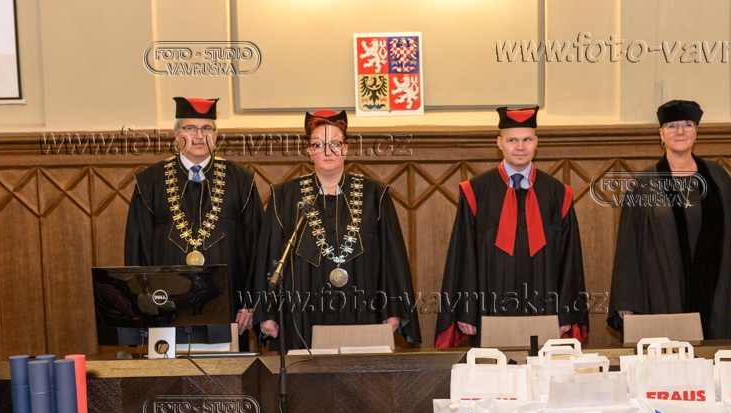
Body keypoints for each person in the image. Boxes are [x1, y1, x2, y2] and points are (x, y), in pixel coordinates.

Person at [252, 109, 421, 350]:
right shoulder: (284, 196)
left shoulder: (375, 194)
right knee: (305, 373)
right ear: (309, 151)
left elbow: (391, 258)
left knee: (361, 372)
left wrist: (392, 309)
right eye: (318, 144)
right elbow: (269, 256)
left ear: (346, 149)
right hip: (302, 309)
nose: (328, 151)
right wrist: (267, 313)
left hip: (364, 307)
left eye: (335, 144)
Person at [435, 106, 588, 347]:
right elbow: (464, 255)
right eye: (512, 140)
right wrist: (466, 310)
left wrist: (566, 314)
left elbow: (570, 259)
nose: (520, 147)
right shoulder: (476, 191)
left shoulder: (558, 194)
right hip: (489, 309)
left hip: (544, 308)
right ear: (500, 143)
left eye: (527, 139)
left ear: (536, 142)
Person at [607, 99, 731, 340]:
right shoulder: (644, 183)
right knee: (668, 355)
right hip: (662, 287)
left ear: (696, 133)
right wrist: (627, 299)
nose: (680, 131)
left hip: (714, 289)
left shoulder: (718, 177)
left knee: (713, 355)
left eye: (687, 124)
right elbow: (628, 246)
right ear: (661, 135)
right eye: (672, 125)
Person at [124, 97, 263, 343]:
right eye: (190, 128)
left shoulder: (242, 181)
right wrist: (142, 302)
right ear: (177, 134)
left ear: (216, 135)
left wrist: (251, 302)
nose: (199, 136)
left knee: (229, 367)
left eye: (207, 128)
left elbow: (257, 249)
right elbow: (137, 249)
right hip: (165, 306)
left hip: (229, 307)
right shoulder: (150, 183)